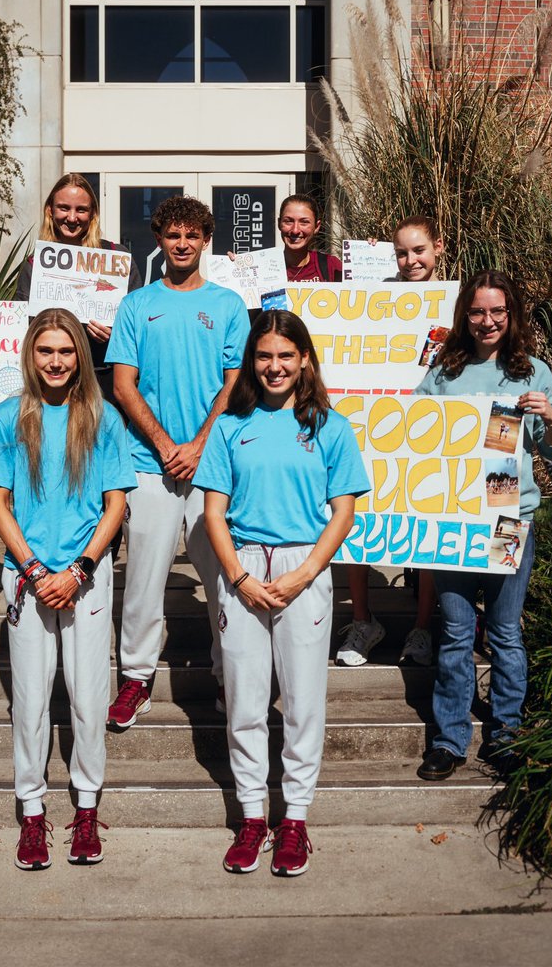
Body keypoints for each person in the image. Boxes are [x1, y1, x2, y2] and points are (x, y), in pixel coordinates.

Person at [195, 311, 369, 875]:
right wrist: (239, 579)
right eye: (264, 356)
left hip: (304, 567)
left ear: (305, 361)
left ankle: (293, 820)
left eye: (285, 356)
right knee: (245, 701)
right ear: (252, 361)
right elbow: (214, 513)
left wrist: (304, 573)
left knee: (301, 702)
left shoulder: (331, 427)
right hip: (242, 566)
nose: (274, 367)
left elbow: (342, 512)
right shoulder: (228, 426)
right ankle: (251, 818)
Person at [0, 308, 136, 868]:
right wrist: (35, 572)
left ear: (80, 357)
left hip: (84, 577)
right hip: (29, 578)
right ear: (30, 354)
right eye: (45, 350)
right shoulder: (6, 417)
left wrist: (78, 571)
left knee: (90, 697)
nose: (55, 361)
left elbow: (116, 502)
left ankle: (88, 808)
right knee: (30, 700)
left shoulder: (103, 418)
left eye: (66, 351)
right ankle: (32, 811)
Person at [414, 270, 552, 781]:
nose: (487, 321)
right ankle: (449, 739)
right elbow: (415, 434)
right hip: (455, 518)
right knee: (457, 631)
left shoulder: (533, 373)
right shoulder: (445, 370)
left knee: (503, 631)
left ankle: (506, 735)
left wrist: (550, 419)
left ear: (512, 314)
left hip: (506, 515)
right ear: (465, 315)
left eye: (497, 312)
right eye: (477, 312)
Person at [105, 196, 250, 728]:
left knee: (221, 577)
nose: (182, 244)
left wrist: (198, 446)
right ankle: (136, 678)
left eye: (192, 235)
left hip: (211, 466)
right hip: (149, 463)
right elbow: (123, 384)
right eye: (172, 235)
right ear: (159, 239)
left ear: (206, 240)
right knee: (143, 577)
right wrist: (167, 445)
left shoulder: (229, 304)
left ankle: (225, 673)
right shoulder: (137, 305)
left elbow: (235, 384)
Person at [338, 215, 445, 668]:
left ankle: (422, 627)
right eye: (401, 253)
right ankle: (363, 620)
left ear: (438, 247)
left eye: (418, 250)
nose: (410, 260)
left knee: (430, 524)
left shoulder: (456, 302)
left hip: (432, 427)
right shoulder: (377, 294)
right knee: (356, 517)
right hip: (374, 423)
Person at [15, 172, 142, 404]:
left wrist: (115, 337)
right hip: (53, 384)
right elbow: (21, 328)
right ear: (50, 211)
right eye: (64, 208)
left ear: (92, 214)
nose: (72, 218)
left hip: (104, 380)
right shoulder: (36, 265)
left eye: (81, 210)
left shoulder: (117, 257)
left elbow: (138, 327)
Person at [279, 193, 342, 283]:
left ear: (316, 227)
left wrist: (368, 253)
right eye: (288, 221)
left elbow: (362, 289)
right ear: (279, 223)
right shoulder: (262, 268)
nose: (295, 230)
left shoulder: (331, 266)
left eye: (304, 222)